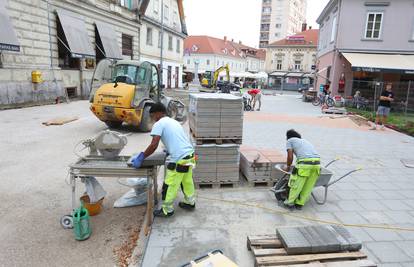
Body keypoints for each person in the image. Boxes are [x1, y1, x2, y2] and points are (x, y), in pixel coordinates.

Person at [130, 103, 196, 217]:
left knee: (170, 184)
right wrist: (169, 149)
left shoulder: (159, 123)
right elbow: (177, 138)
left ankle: (167, 210)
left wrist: (142, 157)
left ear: (158, 113)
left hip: (179, 159)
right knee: (187, 181)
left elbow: (154, 145)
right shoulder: (173, 121)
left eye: (152, 115)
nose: (152, 118)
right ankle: (190, 202)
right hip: (189, 155)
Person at [282, 129, 320, 210]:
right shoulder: (304, 141)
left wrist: (288, 166)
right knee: (308, 186)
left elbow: (290, 156)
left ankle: (290, 203)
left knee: (296, 184)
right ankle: (300, 204)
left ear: (287, 137)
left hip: (304, 164)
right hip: (317, 164)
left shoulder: (289, 141)